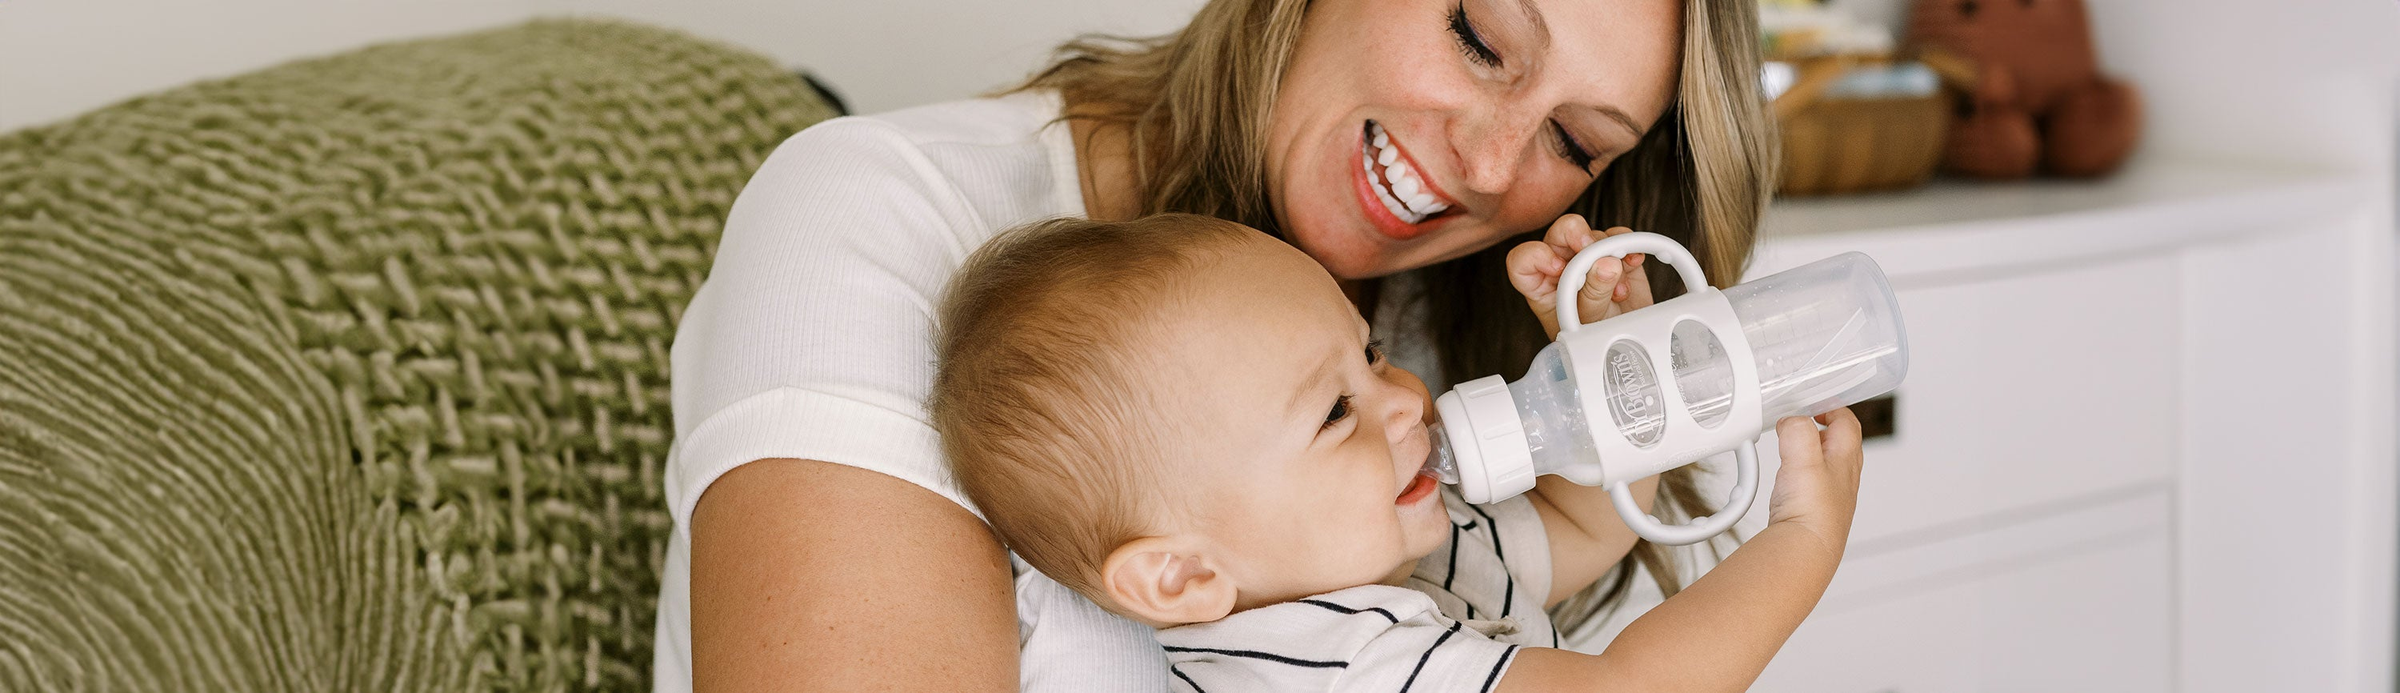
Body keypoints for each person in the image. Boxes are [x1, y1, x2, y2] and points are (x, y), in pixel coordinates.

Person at [655, 0, 1782, 689]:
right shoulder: (888, 214)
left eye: (1574, 142)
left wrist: (1615, 392)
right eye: (1482, 39)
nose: (1492, 167)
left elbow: (1566, 547)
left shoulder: (1420, 365)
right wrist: (1803, 539)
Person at [929, 213, 1861, 692]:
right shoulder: (1325, 666)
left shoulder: (1405, 545)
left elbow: (1582, 530)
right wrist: (1802, 541)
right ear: (1178, 577)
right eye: (1337, 410)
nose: (1407, 396)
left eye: (1372, 353)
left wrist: (1607, 373)